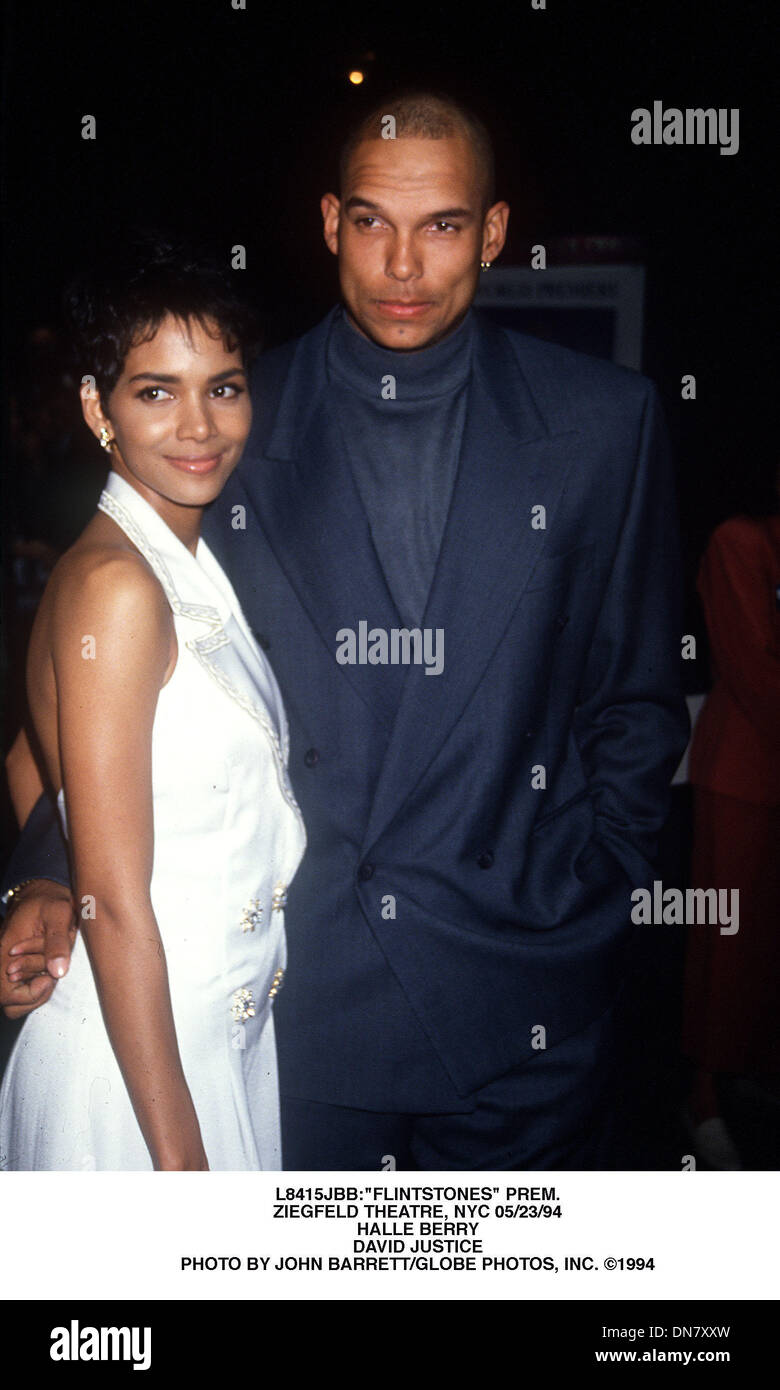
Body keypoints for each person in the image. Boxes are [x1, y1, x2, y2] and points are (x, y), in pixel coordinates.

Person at [1, 91, 688, 1170]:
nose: (403, 265)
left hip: (524, 997)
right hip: (294, 1005)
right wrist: (47, 871)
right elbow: (111, 679)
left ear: (496, 233)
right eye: (372, 222)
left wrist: (596, 896)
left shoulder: (606, 424)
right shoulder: (226, 418)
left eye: (443, 225)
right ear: (329, 223)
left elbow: (636, 700)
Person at [0, 239, 306, 1169]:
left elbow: (30, 755)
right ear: (99, 408)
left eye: (223, 386)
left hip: (211, 1038)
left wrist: (41, 877)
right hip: (141, 1076)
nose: (200, 426)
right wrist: (180, 1162)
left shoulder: (179, 559)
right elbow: (120, 905)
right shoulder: (119, 588)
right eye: (155, 391)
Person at [681, 480, 780, 1169]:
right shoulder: (739, 540)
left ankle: (752, 1079)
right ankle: (700, 1100)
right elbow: (757, 673)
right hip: (743, 778)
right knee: (723, 951)